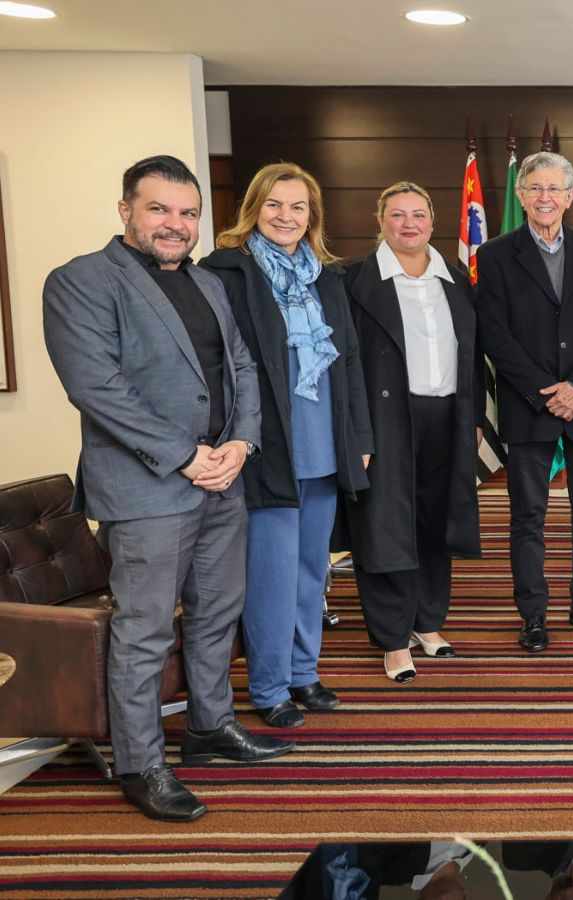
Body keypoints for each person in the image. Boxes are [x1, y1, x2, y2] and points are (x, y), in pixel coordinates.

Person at [42, 155, 292, 821]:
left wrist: (241, 443)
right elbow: (97, 387)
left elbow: (241, 366)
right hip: (147, 490)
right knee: (145, 630)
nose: (175, 224)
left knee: (216, 615)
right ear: (126, 210)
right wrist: (186, 457)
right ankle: (140, 764)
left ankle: (210, 727)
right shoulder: (80, 281)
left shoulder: (206, 282)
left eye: (188, 213)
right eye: (159, 209)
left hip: (223, 479)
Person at [202, 163, 373, 729]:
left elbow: (350, 362)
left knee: (310, 570)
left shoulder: (327, 278)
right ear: (254, 208)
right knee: (271, 575)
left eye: (298, 206)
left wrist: (359, 439)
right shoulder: (227, 273)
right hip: (266, 447)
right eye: (274, 204)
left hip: (325, 444)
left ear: (312, 216)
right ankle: (270, 686)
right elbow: (217, 368)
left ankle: (304, 672)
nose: (285, 216)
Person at [477, 151, 573, 653]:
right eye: (535, 188)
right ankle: (533, 615)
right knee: (527, 516)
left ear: (570, 196)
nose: (545, 197)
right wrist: (545, 391)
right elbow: (494, 334)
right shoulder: (495, 254)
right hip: (528, 405)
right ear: (521, 196)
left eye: (554, 188)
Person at [342, 182, 482, 682]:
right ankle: (393, 637)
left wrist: (475, 419)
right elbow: (344, 364)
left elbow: (473, 355)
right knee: (385, 524)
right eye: (397, 215)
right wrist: (356, 433)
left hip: (447, 416)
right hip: (385, 420)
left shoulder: (456, 281)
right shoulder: (353, 281)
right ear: (380, 221)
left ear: (433, 222)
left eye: (418, 214)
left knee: (436, 521)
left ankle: (427, 620)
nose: (409, 224)